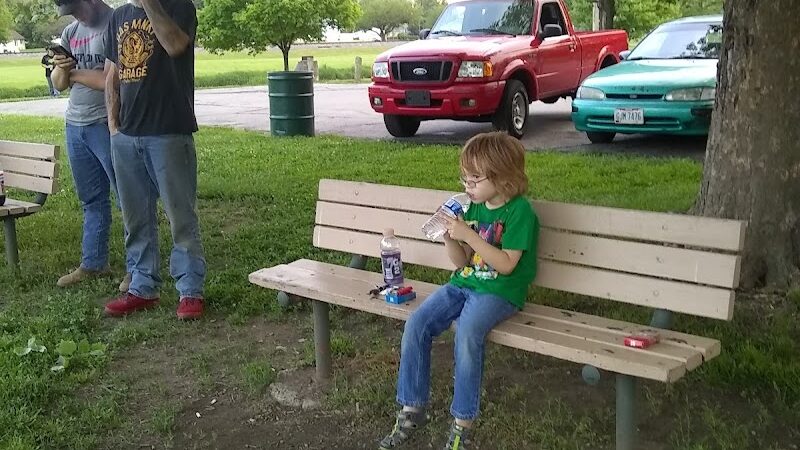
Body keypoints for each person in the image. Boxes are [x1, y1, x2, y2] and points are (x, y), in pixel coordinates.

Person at [379, 132, 540, 450]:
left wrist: (469, 234)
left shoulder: (519, 212)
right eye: (465, 178)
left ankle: (461, 425)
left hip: (500, 290)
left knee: (467, 333)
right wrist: (448, 235)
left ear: (502, 177)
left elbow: (507, 265)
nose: (468, 186)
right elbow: (462, 262)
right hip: (464, 283)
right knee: (417, 323)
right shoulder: (474, 208)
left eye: (474, 180)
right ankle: (411, 408)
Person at [102, 0, 206, 319]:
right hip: (126, 136)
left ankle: (190, 290)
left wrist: (148, 2)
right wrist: (113, 125)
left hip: (169, 131)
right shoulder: (119, 16)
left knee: (180, 216)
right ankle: (142, 286)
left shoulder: (180, 7)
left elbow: (175, 45)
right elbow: (112, 74)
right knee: (135, 218)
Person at [50, 0, 131, 292]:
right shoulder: (71, 32)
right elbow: (58, 83)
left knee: (127, 200)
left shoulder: (117, 22)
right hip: (75, 124)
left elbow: (112, 78)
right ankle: (94, 263)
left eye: (77, 8)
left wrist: (73, 73)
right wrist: (64, 70)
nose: (76, 16)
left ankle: (137, 269)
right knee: (92, 200)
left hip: (107, 124)